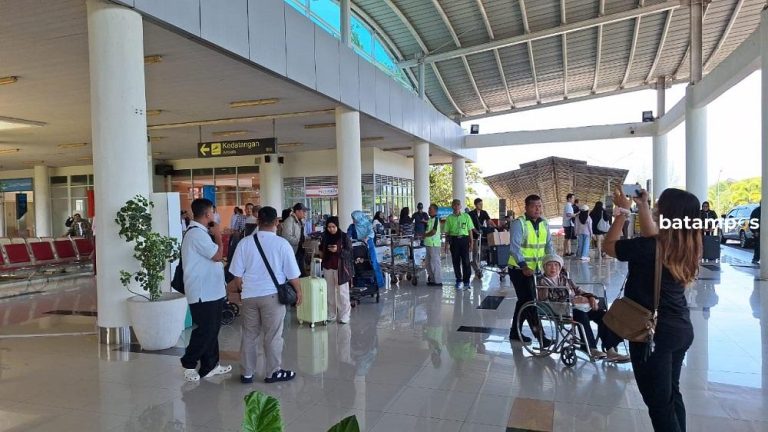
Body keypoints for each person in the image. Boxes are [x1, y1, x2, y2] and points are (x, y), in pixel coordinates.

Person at [604, 187, 698, 432]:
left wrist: (623, 212)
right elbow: (652, 235)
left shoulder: (648, 248)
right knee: (671, 396)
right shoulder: (688, 244)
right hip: (680, 329)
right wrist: (642, 205)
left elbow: (609, 246)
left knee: (659, 406)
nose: (655, 207)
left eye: (658, 205)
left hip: (652, 333)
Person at [228, 206, 301, 384]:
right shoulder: (282, 244)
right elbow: (293, 275)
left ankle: (247, 373)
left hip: (249, 296)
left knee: (249, 335)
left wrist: (244, 289)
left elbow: (236, 276)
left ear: (258, 221)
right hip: (272, 297)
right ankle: (273, 372)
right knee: (273, 336)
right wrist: (299, 292)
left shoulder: (245, 243)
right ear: (277, 222)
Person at [538, 254, 629, 362]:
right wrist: (571, 300)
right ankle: (590, 347)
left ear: (560, 267)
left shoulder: (565, 279)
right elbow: (546, 300)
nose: (553, 268)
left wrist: (590, 297)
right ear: (544, 267)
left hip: (577, 307)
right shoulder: (542, 282)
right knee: (582, 315)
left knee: (603, 315)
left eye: (556, 265)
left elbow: (578, 290)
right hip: (560, 310)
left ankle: (610, 349)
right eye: (549, 265)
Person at [180, 198, 232, 382]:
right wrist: (218, 235)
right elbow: (218, 255)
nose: (215, 216)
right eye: (213, 212)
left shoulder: (200, 233)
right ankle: (189, 362)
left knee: (213, 329)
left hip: (213, 290)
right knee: (206, 330)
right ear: (208, 214)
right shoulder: (196, 234)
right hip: (203, 292)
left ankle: (211, 365)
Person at [508, 194, 553, 344]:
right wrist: (523, 266)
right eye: (534, 206)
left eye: (540, 206)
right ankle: (541, 337)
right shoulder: (518, 223)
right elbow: (514, 248)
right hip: (519, 269)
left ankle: (515, 332)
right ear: (526, 207)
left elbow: (548, 246)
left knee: (523, 301)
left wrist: (553, 263)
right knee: (530, 302)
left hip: (536, 270)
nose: (537, 209)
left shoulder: (544, 223)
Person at [319, 216, 353, 324]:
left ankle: (345, 314)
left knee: (342, 292)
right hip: (328, 267)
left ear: (337, 226)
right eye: (329, 227)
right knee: (330, 292)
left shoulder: (343, 236)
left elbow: (349, 252)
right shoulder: (325, 236)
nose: (331, 229)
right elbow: (321, 248)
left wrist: (338, 250)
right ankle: (331, 313)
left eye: (333, 226)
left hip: (341, 268)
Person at [444, 199, 474, 290]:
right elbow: (447, 233)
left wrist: (471, 242)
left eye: (458, 205)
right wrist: (446, 244)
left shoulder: (466, 216)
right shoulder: (449, 218)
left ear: (460, 206)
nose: (456, 206)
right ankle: (458, 280)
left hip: (464, 240)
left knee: (466, 261)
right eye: (454, 205)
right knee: (456, 261)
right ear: (452, 206)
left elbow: (470, 230)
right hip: (454, 240)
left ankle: (466, 281)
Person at [468, 198, 496, 277]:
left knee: (479, 252)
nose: (481, 205)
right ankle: (476, 267)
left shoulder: (484, 213)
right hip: (472, 236)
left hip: (480, 235)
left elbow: (489, 221)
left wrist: (495, 227)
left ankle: (476, 265)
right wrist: (475, 231)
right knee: (475, 252)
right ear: (476, 205)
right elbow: (470, 225)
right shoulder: (471, 214)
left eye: (482, 204)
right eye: (480, 204)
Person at [280, 203, 307, 276]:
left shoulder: (300, 221)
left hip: (300, 249)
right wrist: (299, 242)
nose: (305, 213)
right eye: (303, 211)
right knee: (294, 272)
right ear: (297, 211)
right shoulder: (289, 221)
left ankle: (302, 285)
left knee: (301, 271)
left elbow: (301, 234)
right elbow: (286, 237)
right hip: (293, 249)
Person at [423, 203, 443, 287]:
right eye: (428, 209)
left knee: (435, 263)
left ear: (435, 210)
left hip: (434, 244)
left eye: (430, 209)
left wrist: (425, 235)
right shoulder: (430, 220)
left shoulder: (436, 219)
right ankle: (432, 279)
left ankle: (438, 281)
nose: (428, 210)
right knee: (428, 263)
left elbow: (434, 231)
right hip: (428, 244)